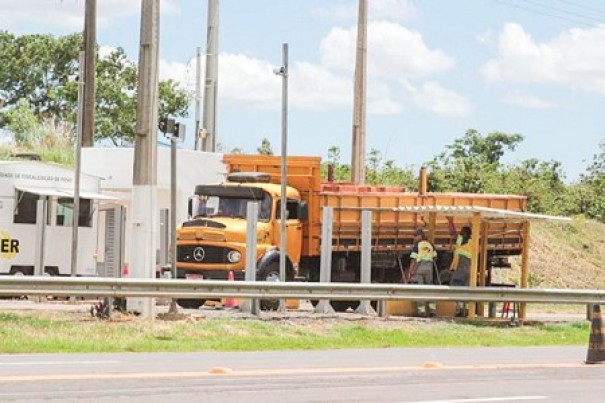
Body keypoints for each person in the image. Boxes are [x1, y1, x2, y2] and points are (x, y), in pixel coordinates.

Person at [407, 229, 437, 317]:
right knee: (430, 288)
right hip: (429, 268)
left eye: (415, 236)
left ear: (419, 236)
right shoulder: (430, 244)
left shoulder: (417, 245)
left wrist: (410, 272)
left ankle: (421, 311)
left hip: (419, 268)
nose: (414, 238)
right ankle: (432, 309)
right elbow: (435, 257)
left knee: (419, 289)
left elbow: (414, 260)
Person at [447, 217, 473, 316]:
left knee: (455, 288)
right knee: (466, 289)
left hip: (460, 268)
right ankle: (465, 309)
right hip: (469, 268)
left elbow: (452, 233)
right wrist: (472, 224)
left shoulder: (460, 240)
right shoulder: (472, 242)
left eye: (461, 231)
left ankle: (460, 309)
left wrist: (450, 221)